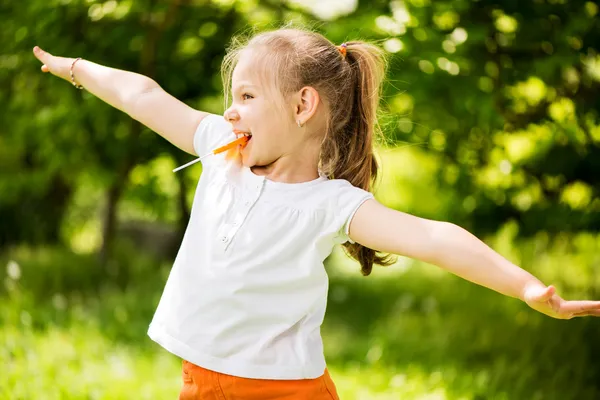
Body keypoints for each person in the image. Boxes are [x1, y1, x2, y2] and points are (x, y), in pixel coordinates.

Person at [33, 27, 600, 400]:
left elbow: (434, 238)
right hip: (200, 382)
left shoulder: (329, 204)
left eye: (248, 96)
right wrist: (75, 67)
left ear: (303, 105)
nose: (230, 108)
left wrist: (526, 287)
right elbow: (144, 94)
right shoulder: (217, 152)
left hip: (282, 392)